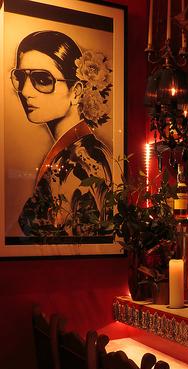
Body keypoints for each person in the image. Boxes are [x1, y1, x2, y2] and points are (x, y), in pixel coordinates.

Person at [11, 30, 113, 237]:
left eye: (42, 79)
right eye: (20, 77)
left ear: (76, 91)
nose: (26, 91)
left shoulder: (83, 159)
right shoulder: (72, 151)